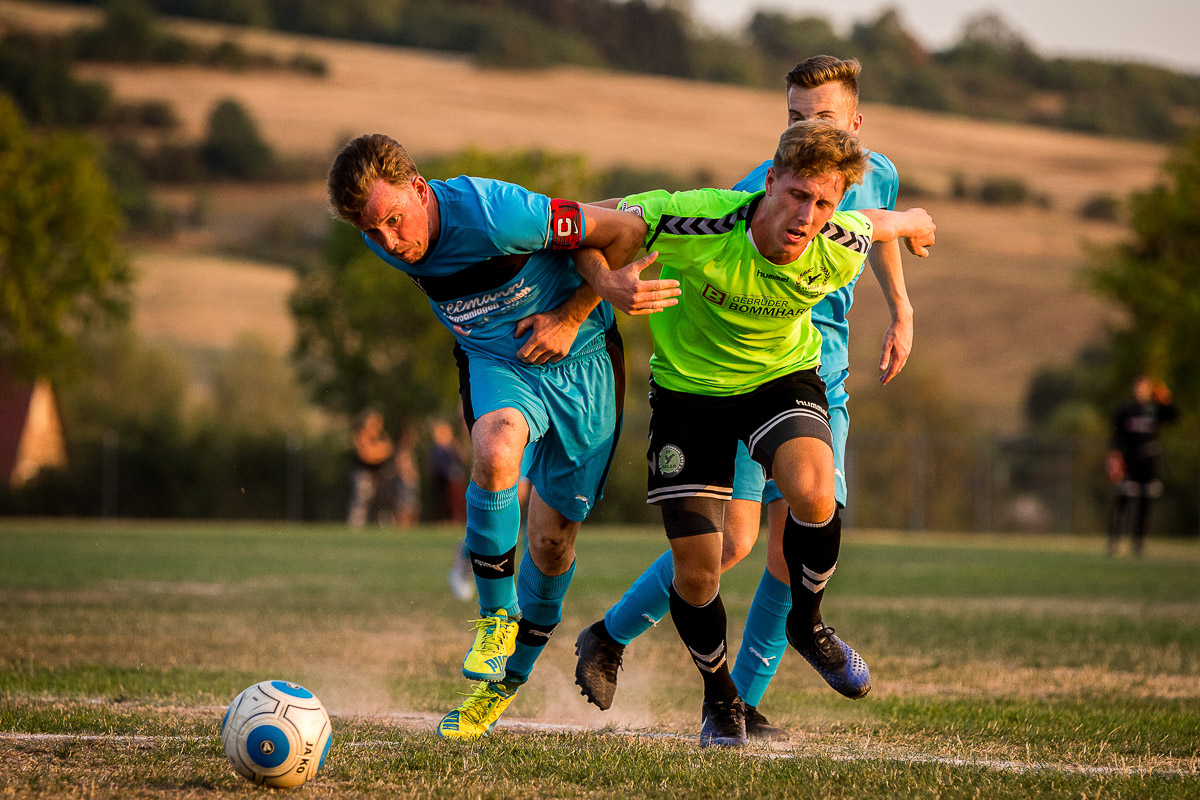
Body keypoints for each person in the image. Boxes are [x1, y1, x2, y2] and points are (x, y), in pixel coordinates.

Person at [574, 56, 912, 740]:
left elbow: (882, 226)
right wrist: (581, 302)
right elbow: (610, 227)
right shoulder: (749, 198)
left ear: (855, 124)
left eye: (819, 116)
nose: (803, 129)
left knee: (797, 538)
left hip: (807, 375)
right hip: (714, 374)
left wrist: (901, 308)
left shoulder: (869, 181)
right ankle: (613, 636)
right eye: (792, 118)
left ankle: (743, 706)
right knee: (728, 545)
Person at [326, 134, 677, 741]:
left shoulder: (497, 214)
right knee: (492, 451)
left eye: (391, 221)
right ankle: (496, 620)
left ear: (418, 188)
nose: (387, 242)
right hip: (496, 363)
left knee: (552, 544)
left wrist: (569, 317)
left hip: (583, 363)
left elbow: (620, 231)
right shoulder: (381, 236)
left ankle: (505, 685)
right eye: (369, 229)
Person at [1107, 374, 1177, 556]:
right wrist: (1115, 457)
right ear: (1134, 388)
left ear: (1149, 389)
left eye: (1145, 387)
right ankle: (1114, 542)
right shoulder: (1126, 410)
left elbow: (1174, 417)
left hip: (1149, 459)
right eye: (1138, 387)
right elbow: (1116, 435)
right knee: (1123, 500)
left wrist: (1167, 400)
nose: (1141, 390)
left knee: (1145, 503)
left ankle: (1138, 544)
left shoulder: (1154, 409)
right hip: (1129, 459)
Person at [347, 409, 396, 527]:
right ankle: (356, 524)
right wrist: (379, 451)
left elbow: (389, 449)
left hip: (380, 473)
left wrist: (377, 452)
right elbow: (366, 455)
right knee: (361, 498)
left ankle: (385, 523)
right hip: (364, 472)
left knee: (384, 499)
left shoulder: (382, 436)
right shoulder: (361, 434)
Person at [392, 424, 421, 528]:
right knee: (404, 506)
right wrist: (405, 476)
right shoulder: (402, 449)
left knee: (414, 506)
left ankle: (411, 527)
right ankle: (402, 526)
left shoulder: (410, 449)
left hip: (411, 481)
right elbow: (401, 465)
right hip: (404, 481)